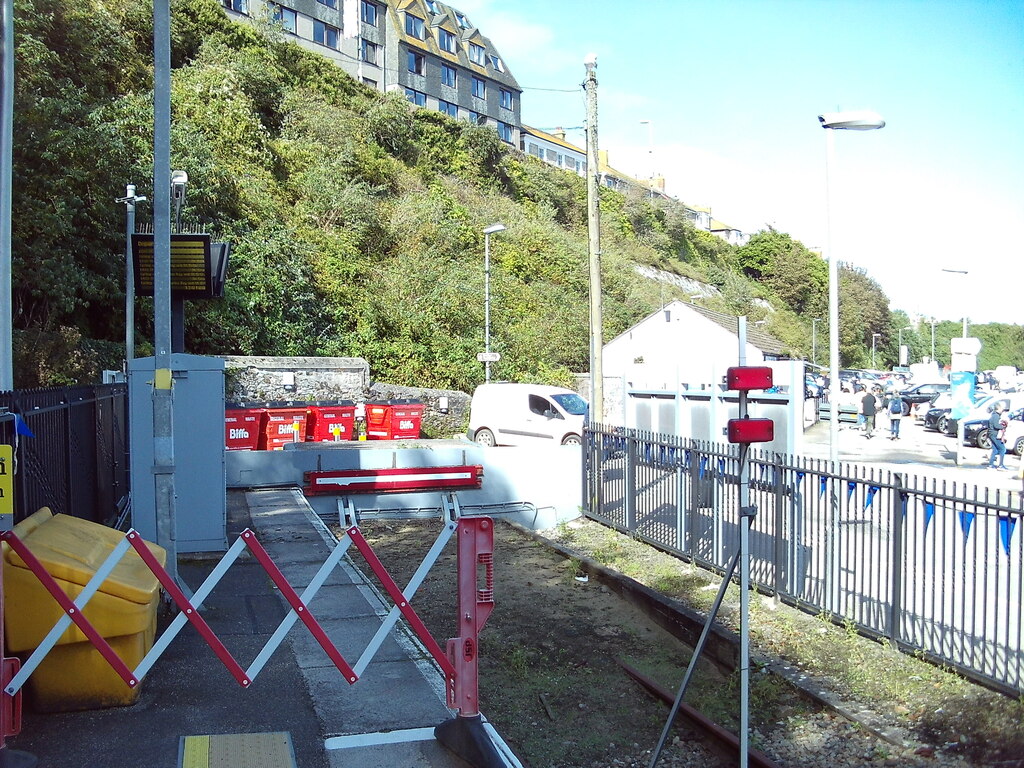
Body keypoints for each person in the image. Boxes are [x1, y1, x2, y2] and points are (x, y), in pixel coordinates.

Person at [987, 402, 1008, 469]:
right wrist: (1003, 427)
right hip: (994, 435)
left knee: (995, 449)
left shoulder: (993, 415)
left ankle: (991, 464)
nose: (1003, 410)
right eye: (1002, 408)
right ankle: (1001, 465)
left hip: (991, 434)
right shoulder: (996, 416)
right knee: (1002, 449)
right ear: (998, 408)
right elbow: (996, 426)